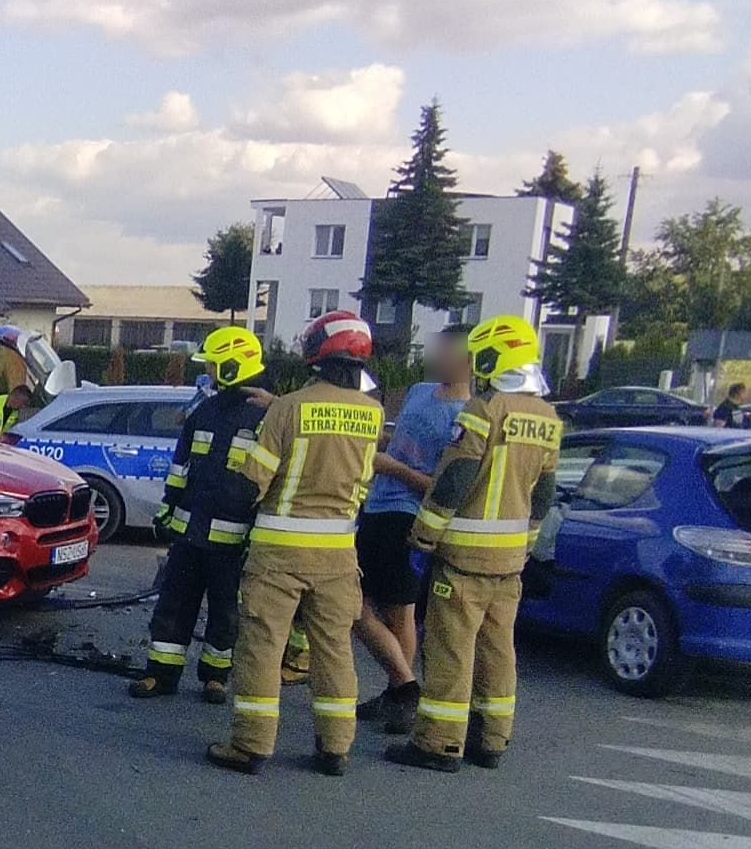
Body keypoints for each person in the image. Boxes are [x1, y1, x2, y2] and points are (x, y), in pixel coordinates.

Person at [208, 310, 383, 779]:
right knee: (334, 651)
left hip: (279, 553)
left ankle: (251, 744)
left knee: (263, 647)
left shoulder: (287, 409)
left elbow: (252, 482)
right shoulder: (372, 412)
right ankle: (336, 748)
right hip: (339, 555)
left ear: (315, 353)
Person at [387, 315, 564, 773]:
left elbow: (455, 478)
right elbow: (543, 492)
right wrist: (526, 543)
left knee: (451, 648)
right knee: (498, 648)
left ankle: (439, 743)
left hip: (464, 558)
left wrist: (424, 534)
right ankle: (492, 738)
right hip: (509, 562)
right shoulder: (548, 418)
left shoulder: (484, 410)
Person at [129, 326, 271, 701]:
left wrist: (256, 533)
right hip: (189, 531)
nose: (207, 369)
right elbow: (181, 466)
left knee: (225, 611)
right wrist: (168, 508)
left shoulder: (267, 416)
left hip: (233, 538)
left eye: (211, 363)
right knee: (174, 604)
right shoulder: (204, 410)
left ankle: (215, 677)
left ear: (230, 365)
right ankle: (160, 675)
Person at [351, 324, 472, 733]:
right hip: (376, 506)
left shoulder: (466, 414)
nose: (435, 357)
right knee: (357, 601)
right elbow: (395, 438)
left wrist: (395, 470)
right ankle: (399, 689)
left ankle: (402, 690)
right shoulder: (420, 392)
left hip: (408, 515)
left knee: (393, 610)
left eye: (445, 351)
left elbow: (445, 485)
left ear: (467, 361)